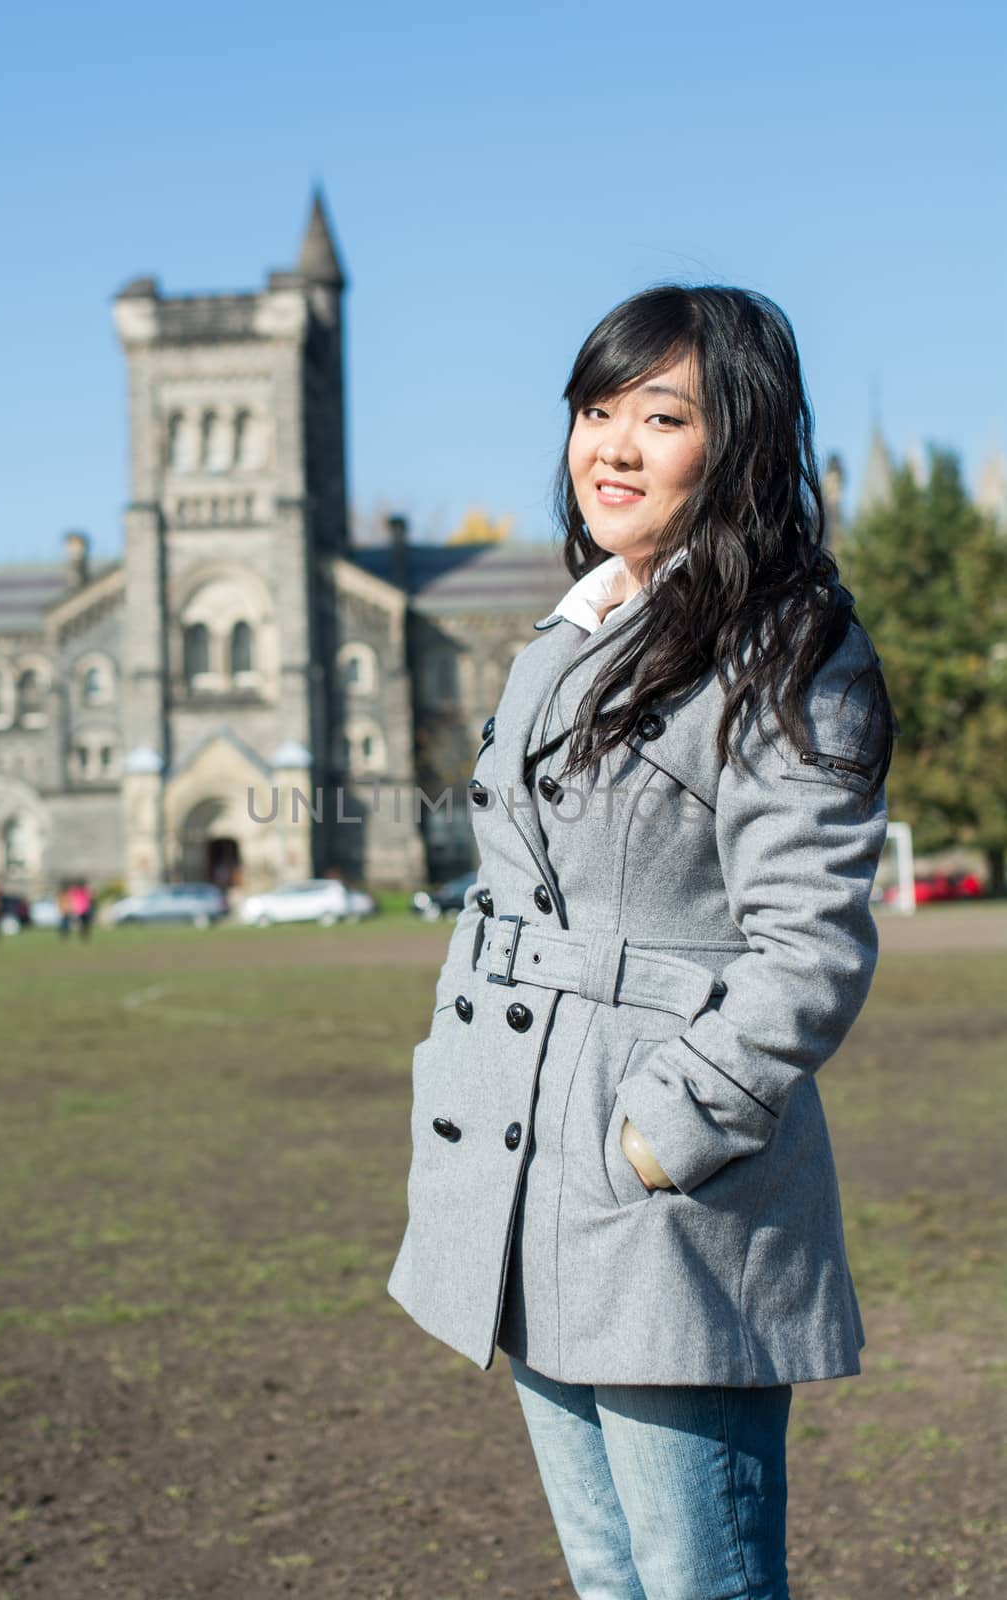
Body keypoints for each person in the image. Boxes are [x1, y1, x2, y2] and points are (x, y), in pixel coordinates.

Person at [387, 285, 896, 1599]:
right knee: (610, 1581)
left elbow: (812, 944)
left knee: (699, 1581)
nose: (608, 446)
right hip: (520, 1162)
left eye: (659, 417)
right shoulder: (568, 632)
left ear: (737, 441)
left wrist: (664, 1132)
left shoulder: (790, 648)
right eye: (593, 411)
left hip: (666, 1187)